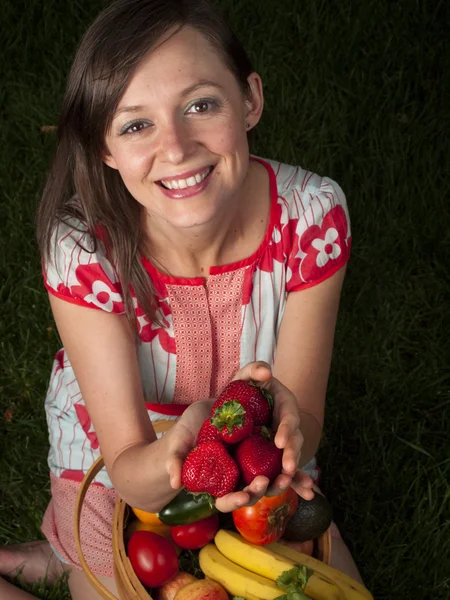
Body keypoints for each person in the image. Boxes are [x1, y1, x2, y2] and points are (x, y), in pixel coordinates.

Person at [0, 0, 363, 598]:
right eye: (136, 123)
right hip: (119, 462)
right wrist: (174, 450)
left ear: (249, 100)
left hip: (249, 455)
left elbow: (305, 420)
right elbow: (131, 472)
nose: (176, 147)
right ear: (104, 149)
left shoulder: (313, 216)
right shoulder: (81, 249)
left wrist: (291, 439)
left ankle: (62, 558)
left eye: (200, 105)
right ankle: (69, 546)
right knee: (126, 561)